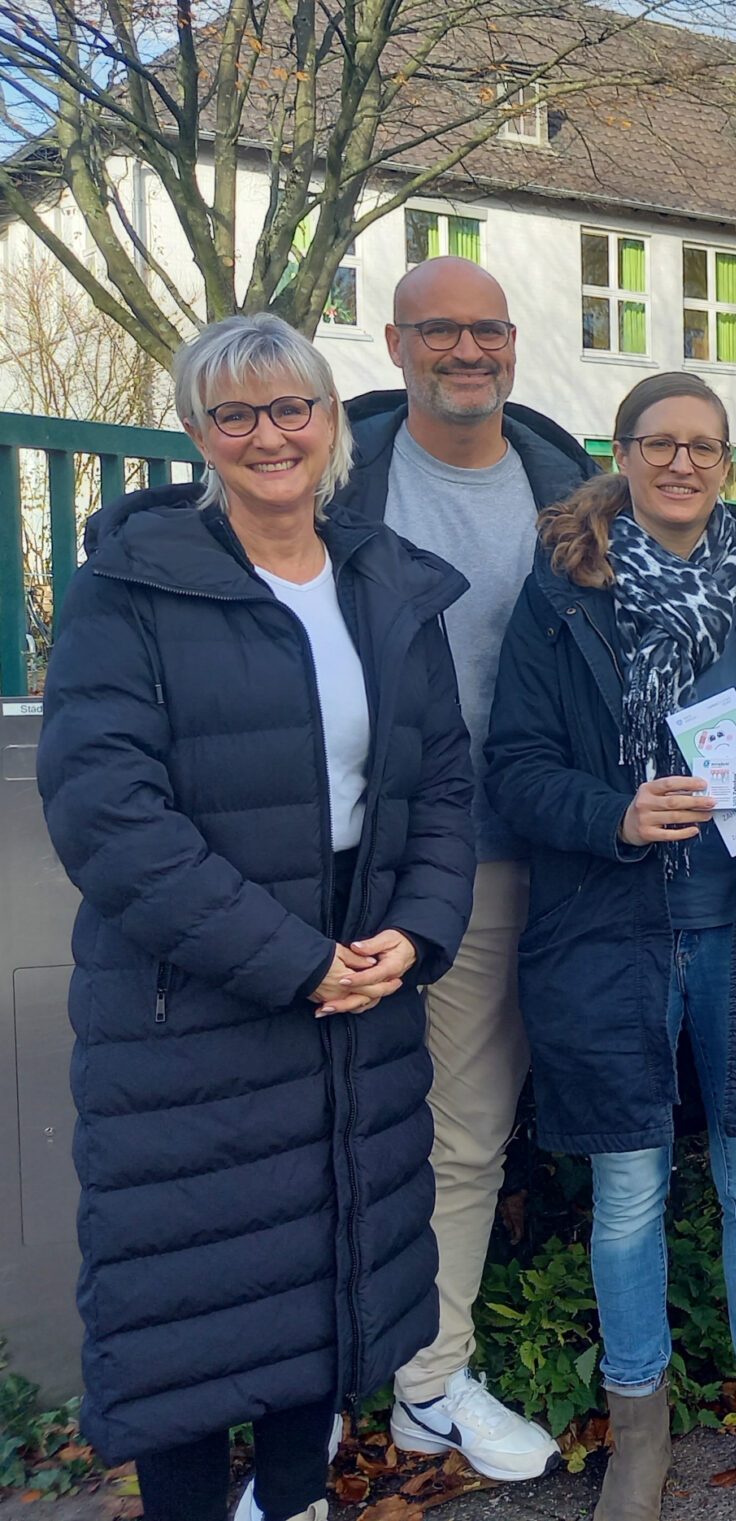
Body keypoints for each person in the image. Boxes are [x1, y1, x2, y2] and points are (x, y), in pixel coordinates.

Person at [36, 315, 475, 1521]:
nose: (268, 435)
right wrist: (294, 963)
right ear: (197, 432)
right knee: (184, 1304)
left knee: (323, 1280)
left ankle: (294, 1500)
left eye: (292, 407)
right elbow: (107, 815)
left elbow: (444, 783)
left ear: (331, 421)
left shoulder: (387, 584)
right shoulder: (130, 586)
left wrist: (418, 932)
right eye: (234, 412)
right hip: (192, 1002)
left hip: (360, 980)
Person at [486, 372, 736, 1521]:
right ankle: (637, 1431)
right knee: (627, 1196)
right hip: (612, 935)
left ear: (729, 464)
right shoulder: (563, 596)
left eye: (705, 447)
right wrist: (615, 814)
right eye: (660, 443)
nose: (683, 463)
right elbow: (515, 769)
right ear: (622, 453)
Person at [333, 256, 596, 1480]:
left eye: (487, 330)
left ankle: (429, 1381)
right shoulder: (343, 480)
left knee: (472, 1130)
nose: (468, 351)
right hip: (381, 857)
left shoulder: (563, 486)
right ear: (396, 347)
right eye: (439, 331)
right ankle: (326, 1380)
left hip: (550, 851)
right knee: (341, 1123)